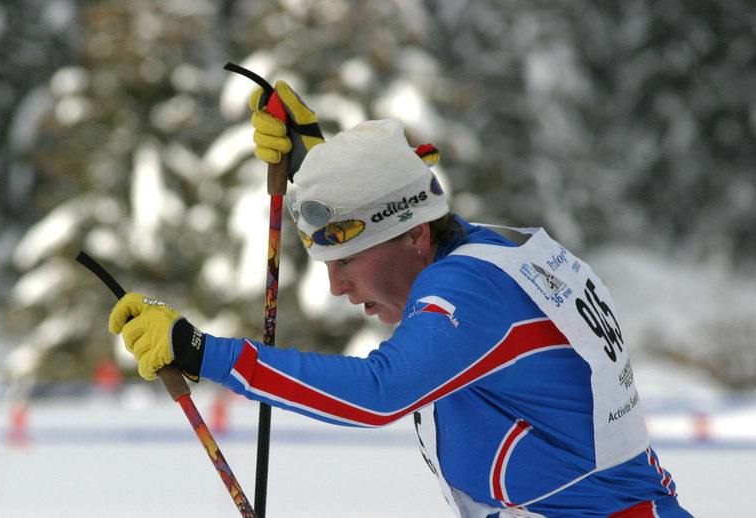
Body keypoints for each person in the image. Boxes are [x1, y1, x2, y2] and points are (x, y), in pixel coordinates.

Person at [108, 83, 694, 518]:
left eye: (347, 263)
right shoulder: (483, 253)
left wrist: (203, 352)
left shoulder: (468, 291)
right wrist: (326, 170)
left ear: (415, 236)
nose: (336, 287)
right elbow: (395, 207)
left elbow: (378, 394)